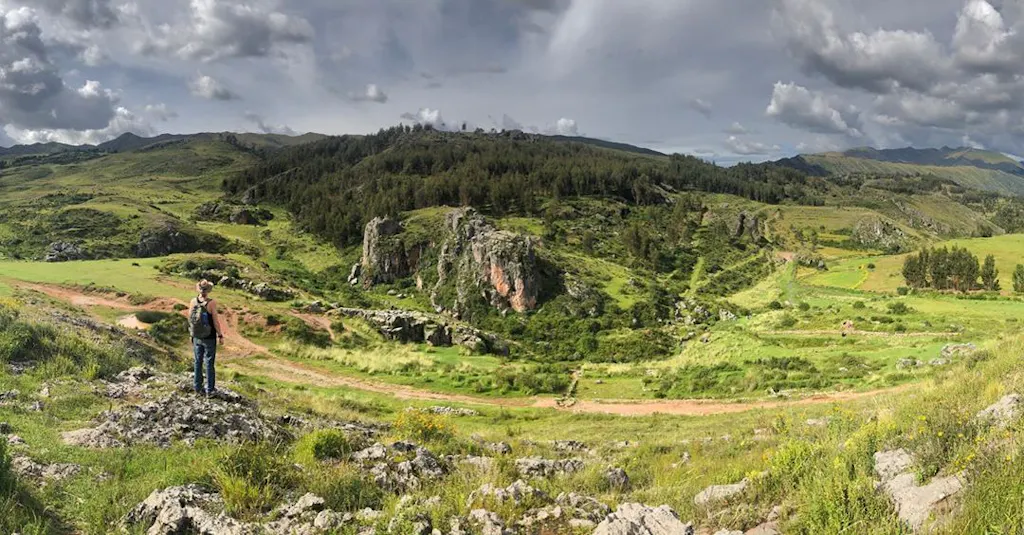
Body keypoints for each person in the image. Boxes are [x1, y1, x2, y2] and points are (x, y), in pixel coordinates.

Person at [188, 279, 224, 395]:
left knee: (198, 361)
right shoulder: (211, 303)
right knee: (209, 362)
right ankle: (210, 390)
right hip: (209, 336)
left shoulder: (193, 301)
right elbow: (215, 321)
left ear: (199, 289)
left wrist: (191, 334)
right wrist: (220, 335)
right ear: (208, 290)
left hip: (197, 336)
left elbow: (190, 319)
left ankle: (197, 388)